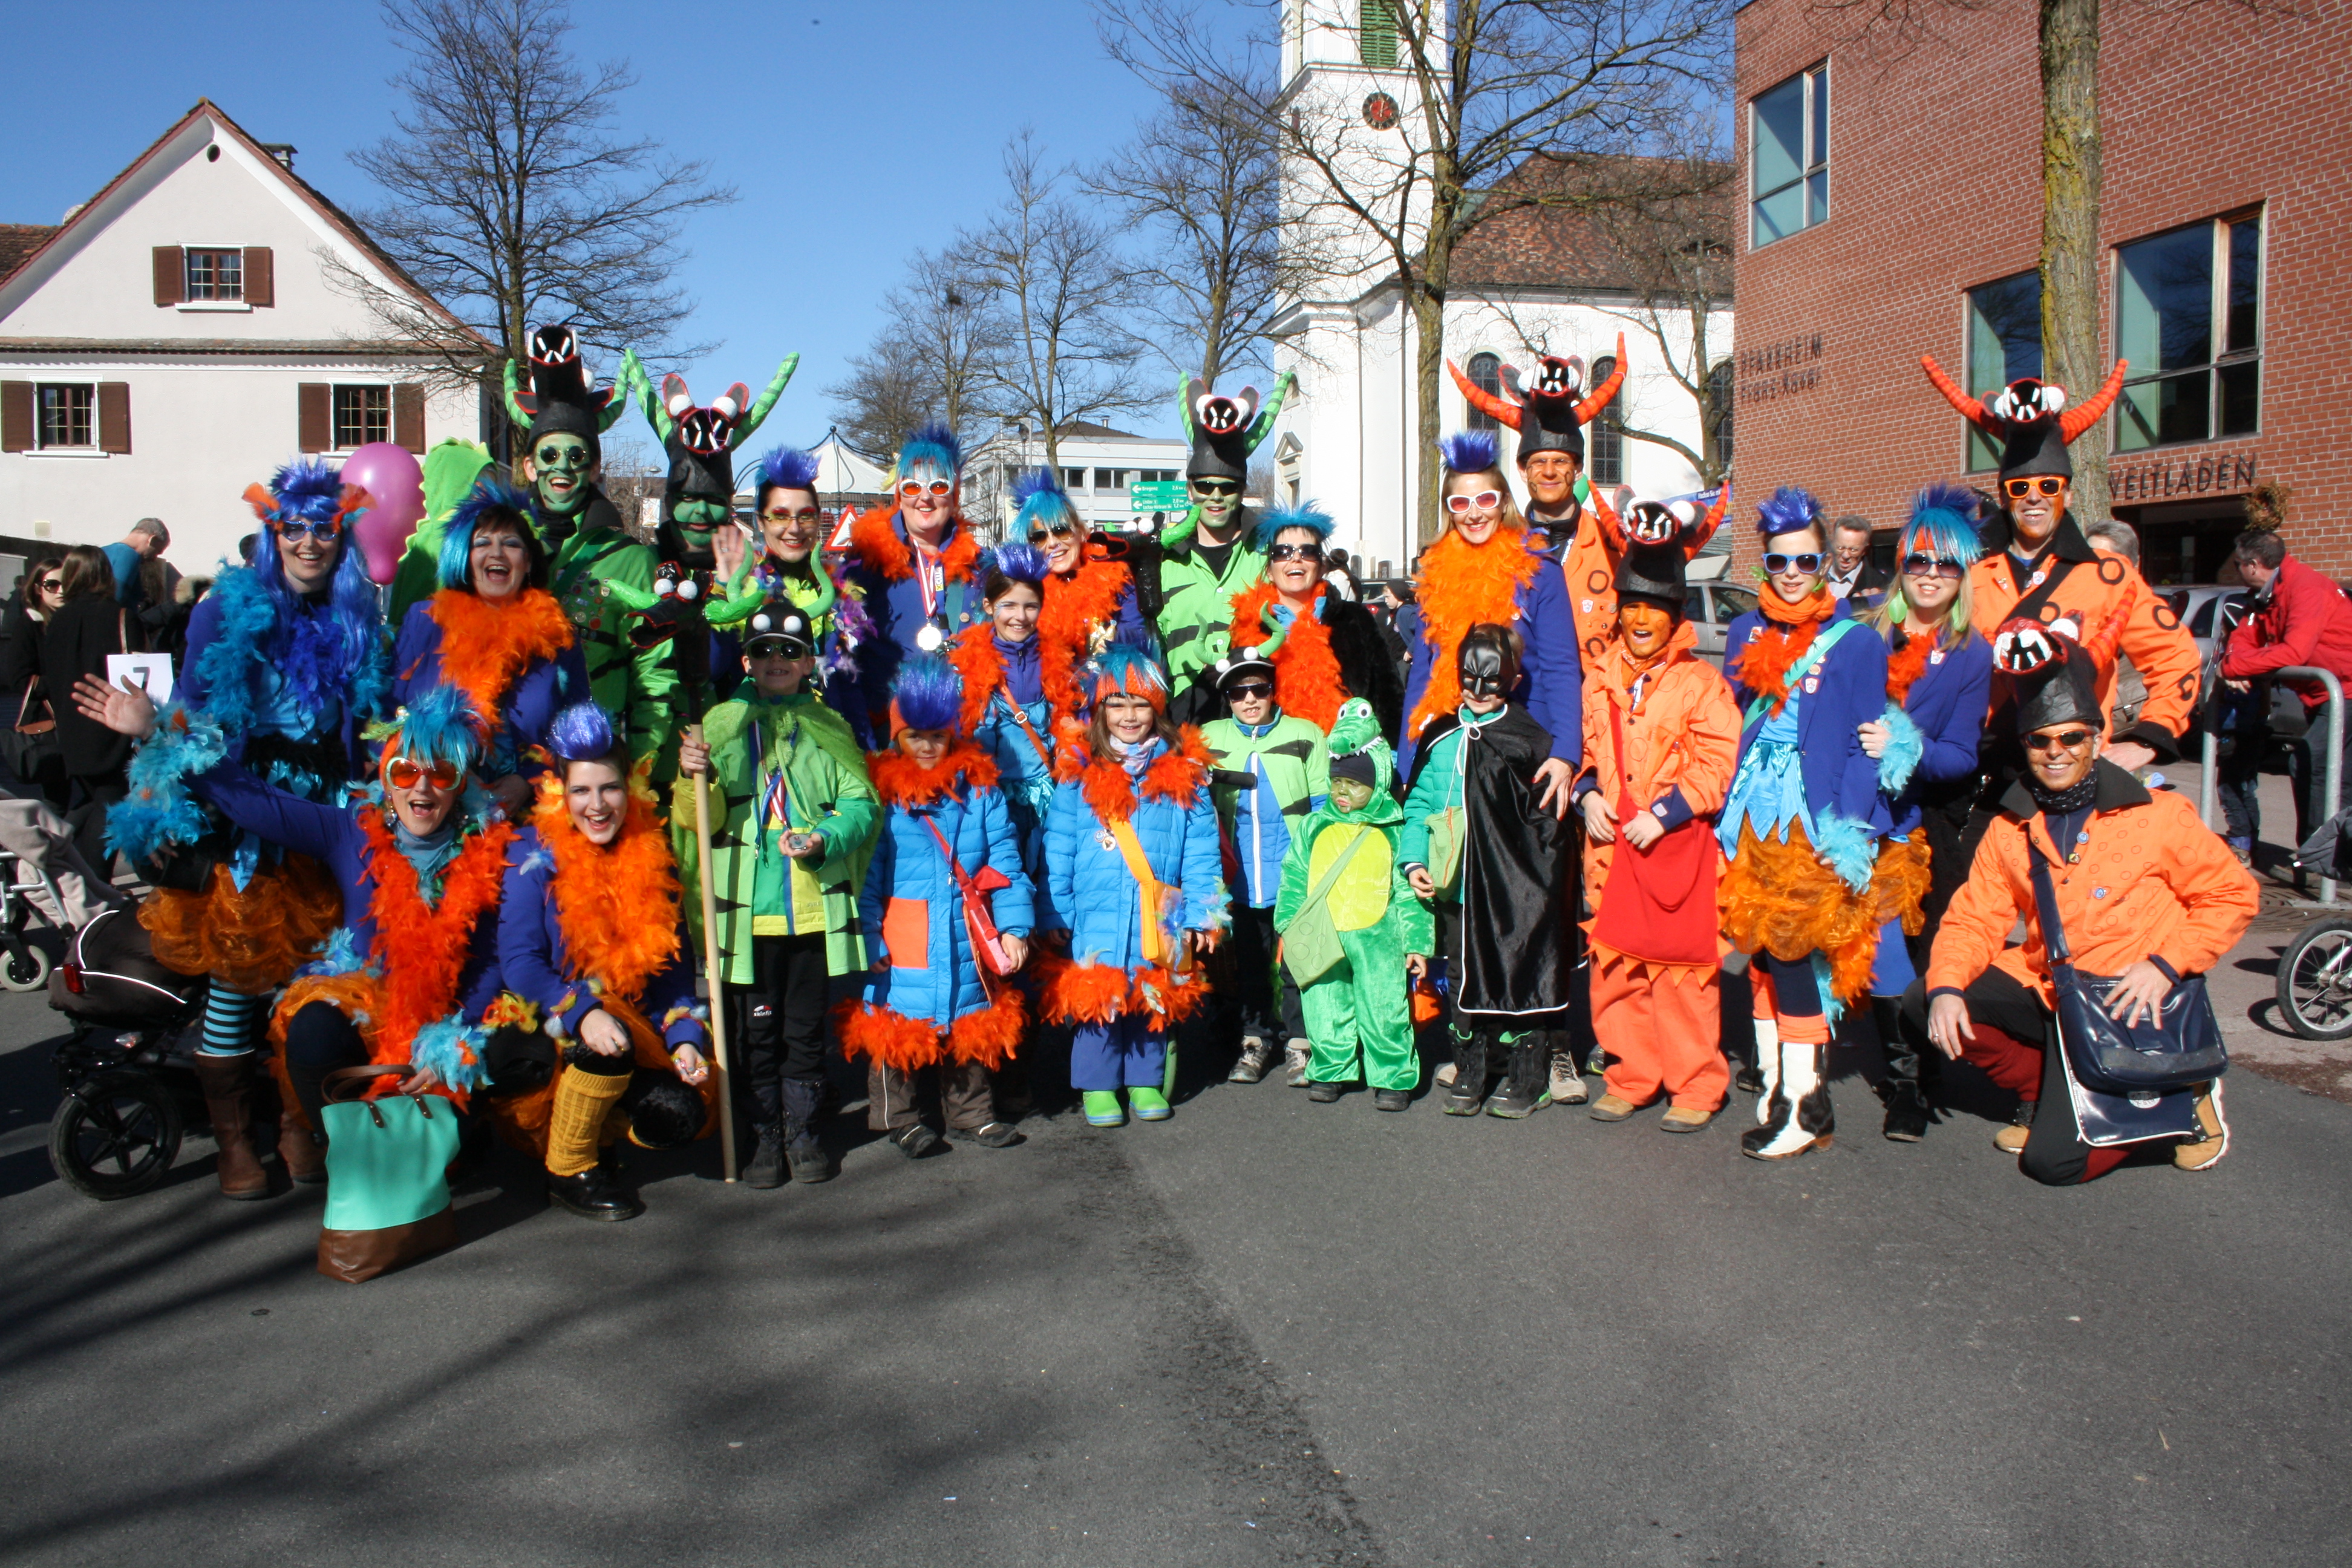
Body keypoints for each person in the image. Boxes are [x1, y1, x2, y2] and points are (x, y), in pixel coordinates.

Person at [102, 460, 391, 1198]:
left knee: (314, 976)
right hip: (246, 810)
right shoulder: (223, 612)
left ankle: (297, 1124)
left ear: (342, 536)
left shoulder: (357, 617)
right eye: (293, 528)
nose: (308, 542)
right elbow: (197, 714)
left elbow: (368, 719)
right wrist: (152, 748)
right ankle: (234, 1142)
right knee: (239, 973)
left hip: (328, 811)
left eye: (323, 529)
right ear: (272, 533)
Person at [77, 681, 511, 1171]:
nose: (422, 787)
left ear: (460, 785)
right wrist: (159, 731)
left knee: (463, 1138)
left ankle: (456, 1140)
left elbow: (494, 958)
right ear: (387, 780)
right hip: (366, 1012)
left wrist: (453, 1041)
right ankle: (350, 1154)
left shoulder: (490, 851)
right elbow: (258, 803)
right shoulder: (350, 832)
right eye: (406, 771)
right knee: (312, 1028)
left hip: (450, 1021)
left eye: (441, 773)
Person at [1903, 626, 2256, 1183]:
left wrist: (2166, 965)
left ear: (2095, 737)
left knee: (2054, 1165)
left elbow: (2232, 894)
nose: (2055, 752)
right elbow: (1974, 919)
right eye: (2039, 740)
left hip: (2129, 996)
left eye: (2070, 737)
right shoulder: (2011, 826)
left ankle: (2185, 1099)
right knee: (1925, 998)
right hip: (2053, 985)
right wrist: (1946, 987)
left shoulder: (2160, 814)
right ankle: (2045, 1089)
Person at [1716, 487, 1911, 1161]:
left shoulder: (1857, 642)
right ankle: (1775, 1084)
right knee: (1761, 948)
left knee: (1796, 951)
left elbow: (1865, 744)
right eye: (1779, 562)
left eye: (1805, 560)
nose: (1793, 573)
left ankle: (1808, 1104)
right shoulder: (1744, 631)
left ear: (1826, 562)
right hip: (1751, 815)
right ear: (1764, 564)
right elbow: (1734, 720)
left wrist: (1848, 828)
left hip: (1813, 816)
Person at [1921, 355, 2198, 783]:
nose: (2034, 497)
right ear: (2005, 498)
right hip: (1976, 774)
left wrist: (2149, 739)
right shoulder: (1966, 572)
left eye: (2048, 486)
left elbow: (2175, 656)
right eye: (2020, 488)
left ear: (2067, 496)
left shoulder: (2109, 574)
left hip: (2070, 773)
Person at [675, 603, 875, 1186]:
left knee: (804, 1031)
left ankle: (802, 1133)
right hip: (746, 920)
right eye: (764, 651)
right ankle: (762, 1134)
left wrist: (823, 838)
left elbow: (861, 806)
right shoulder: (717, 726)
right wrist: (694, 776)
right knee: (754, 1034)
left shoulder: (828, 727)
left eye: (791, 651)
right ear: (746, 661)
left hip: (809, 914)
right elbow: (697, 820)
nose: (777, 660)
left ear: (809, 662)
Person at [496, 702, 714, 1221]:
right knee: (605, 1031)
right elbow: (520, 963)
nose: (597, 806)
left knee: (678, 1115)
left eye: (609, 788)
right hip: (543, 1028)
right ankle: (569, 1168)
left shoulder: (650, 850)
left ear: (629, 788)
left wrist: (685, 1039)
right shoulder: (530, 853)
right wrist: (582, 1011)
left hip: (626, 1030)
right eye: (581, 791)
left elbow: (671, 973)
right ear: (560, 793)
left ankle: (601, 1132)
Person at [1574, 526, 1742, 1132]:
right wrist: (1586, 794)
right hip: (1610, 849)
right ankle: (1631, 1078)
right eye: (1633, 606)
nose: (1642, 619)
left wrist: (1665, 813)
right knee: (1617, 971)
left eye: (1656, 608)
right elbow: (1588, 752)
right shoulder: (1598, 678)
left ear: (1676, 615)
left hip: (1673, 850)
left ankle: (1695, 1086)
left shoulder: (1702, 683)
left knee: (1683, 976)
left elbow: (1717, 763)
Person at [836, 655, 1034, 1157]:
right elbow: (866, 878)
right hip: (904, 931)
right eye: (914, 736)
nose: (926, 747)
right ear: (897, 738)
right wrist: (869, 936)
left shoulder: (981, 791)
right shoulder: (882, 797)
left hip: (966, 928)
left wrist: (1015, 927)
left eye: (937, 736)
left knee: (970, 1016)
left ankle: (972, 1114)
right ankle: (899, 1118)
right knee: (896, 1023)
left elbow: (1006, 861)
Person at [1040, 639, 1226, 1128]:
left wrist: (1204, 914)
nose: (1129, 715)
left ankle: (1145, 1079)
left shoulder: (1185, 772)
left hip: (1161, 907)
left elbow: (1202, 850)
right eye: (1117, 704)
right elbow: (1058, 845)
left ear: (1157, 709)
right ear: (1100, 710)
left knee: (1151, 989)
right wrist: (1054, 909)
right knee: (1098, 991)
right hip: (1095, 908)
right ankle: (1098, 1085)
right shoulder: (1078, 772)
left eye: (1141, 704)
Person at [1858, 483, 1994, 1141]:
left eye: (1947, 563)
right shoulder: (1864, 633)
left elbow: (1961, 757)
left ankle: (1909, 1082)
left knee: (1896, 944)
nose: (1931, 574)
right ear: (1901, 566)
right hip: (1843, 809)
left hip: (1909, 820)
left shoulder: (1972, 653)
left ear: (1963, 573)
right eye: (1919, 560)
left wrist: (1903, 747)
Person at [1398, 624, 1575, 1119]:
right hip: (1456, 885)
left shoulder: (1528, 739)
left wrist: (1539, 885)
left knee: (1517, 969)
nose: (1478, 691)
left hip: (1512, 888)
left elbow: (1547, 823)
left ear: (1513, 680)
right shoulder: (1440, 735)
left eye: (1492, 681)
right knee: (1461, 973)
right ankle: (1471, 1068)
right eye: (1469, 678)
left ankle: (1528, 1074)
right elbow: (1419, 804)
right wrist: (1415, 860)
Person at [1449, 338, 1695, 666]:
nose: (1549, 472)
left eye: (1561, 462)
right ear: (1522, 471)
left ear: (1578, 470)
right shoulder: (1494, 545)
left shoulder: (1616, 546)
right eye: (1538, 462)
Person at [1397, 431, 1583, 799]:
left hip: (1523, 748)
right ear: (1449, 509)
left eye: (1485, 499)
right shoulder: (1435, 575)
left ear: (1504, 502)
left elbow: (1561, 668)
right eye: (1460, 503)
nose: (1474, 513)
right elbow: (1423, 674)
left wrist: (1565, 753)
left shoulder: (1540, 572)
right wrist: (1407, 763)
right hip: (1450, 748)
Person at [519, 347, 678, 776]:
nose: (563, 468)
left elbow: (654, 673)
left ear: (593, 469)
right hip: (511, 767)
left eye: (577, 456)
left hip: (595, 769)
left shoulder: (631, 560)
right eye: (549, 456)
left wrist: (636, 767)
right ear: (530, 467)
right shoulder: (503, 552)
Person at [391, 475, 589, 819]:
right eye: (482, 543)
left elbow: (582, 740)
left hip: (529, 822)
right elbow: (384, 718)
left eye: (511, 544)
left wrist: (529, 781)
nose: (497, 553)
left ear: (528, 562)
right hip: (429, 813)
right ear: (464, 558)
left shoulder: (559, 641)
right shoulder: (425, 622)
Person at [1278, 700, 1429, 1111]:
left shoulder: (1394, 830)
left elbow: (1409, 894)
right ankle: (1331, 1069)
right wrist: (1288, 924)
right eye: (1337, 782)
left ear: (1378, 783)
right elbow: (1294, 875)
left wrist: (1416, 943)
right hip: (1323, 933)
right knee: (1324, 1005)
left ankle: (1393, 1076)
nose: (1342, 792)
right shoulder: (1315, 826)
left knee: (1385, 1009)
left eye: (1354, 785)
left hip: (1379, 938)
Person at [1201, 648, 1329, 1087]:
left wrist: (1317, 864)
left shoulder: (1306, 733)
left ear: (1273, 691)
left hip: (1294, 874)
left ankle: (1301, 1044)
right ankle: (1254, 1040)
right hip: (1237, 877)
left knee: (1297, 963)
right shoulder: (1208, 736)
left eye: (1259, 689)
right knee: (1250, 964)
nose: (1250, 699)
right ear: (1227, 699)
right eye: (1238, 693)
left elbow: (1322, 804)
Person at [1153, 374, 1294, 722]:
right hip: (1183, 720)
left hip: (1254, 717)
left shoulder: (1267, 553)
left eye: (1228, 487)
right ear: (1190, 489)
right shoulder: (1162, 560)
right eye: (1205, 486)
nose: (1215, 497)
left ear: (1242, 490)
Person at [2217, 525, 2352, 860]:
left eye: (2237, 564)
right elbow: (2243, 638)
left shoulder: (2305, 587)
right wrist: (2234, 664)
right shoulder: (2267, 594)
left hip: (2345, 693)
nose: (2236, 570)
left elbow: (2295, 652)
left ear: (2252, 565)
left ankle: (2320, 859)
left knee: (2311, 763)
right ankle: (2330, 859)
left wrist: (2235, 668)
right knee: (2332, 773)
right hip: (2324, 696)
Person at [846, 420, 988, 736]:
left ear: (955, 496)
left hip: (959, 730)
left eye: (938, 487)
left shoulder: (982, 566)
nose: (925, 498)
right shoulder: (865, 561)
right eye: (912, 487)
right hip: (888, 730)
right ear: (900, 494)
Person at [1222, 504, 1405, 740]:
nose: (1296, 558)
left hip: (1345, 754)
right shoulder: (1249, 624)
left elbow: (1388, 695)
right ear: (1269, 570)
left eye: (1308, 551)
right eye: (1283, 552)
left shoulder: (1355, 619)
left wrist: (1391, 752)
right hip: (1273, 754)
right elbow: (1231, 703)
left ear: (1321, 567)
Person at [950, 544, 1056, 890]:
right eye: (1008, 605)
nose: (1020, 616)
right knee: (1000, 885)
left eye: (1030, 606)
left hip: (1047, 800)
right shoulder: (965, 664)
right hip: (989, 802)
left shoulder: (1057, 658)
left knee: (1047, 883)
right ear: (988, 606)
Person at [1018, 468, 1151, 730]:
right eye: (1039, 536)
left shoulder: (1117, 580)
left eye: (1061, 531)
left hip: (1112, 713)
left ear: (1081, 532)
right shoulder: (1027, 592)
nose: (1052, 543)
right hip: (1050, 715)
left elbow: (1136, 647)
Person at [750, 445, 869, 728]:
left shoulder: (841, 593)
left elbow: (851, 689)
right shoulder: (744, 589)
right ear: (761, 522)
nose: (794, 528)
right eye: (780, 516)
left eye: (805, 515)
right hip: (760, 741)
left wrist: (863, 746)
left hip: (829, 740)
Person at [42, 546, 145, 869]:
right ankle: (96, 883)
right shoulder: (120, 616)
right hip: (112, 722)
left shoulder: (58, 620)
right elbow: (140, 670)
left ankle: (57, 855)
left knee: (96, 798)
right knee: (110, 804)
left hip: (71, 724)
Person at [0, 554, 68, 806]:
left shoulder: (71, 622)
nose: (60, 591)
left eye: (66, 584)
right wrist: (65, 682)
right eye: (52, 585)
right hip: (48, 720)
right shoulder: (29, 625)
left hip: (76, 719)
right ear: (38, 588)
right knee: (58, 795)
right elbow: (19, 678)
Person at [102, 518, 167, 614]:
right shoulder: (129, 555)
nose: (154, 559)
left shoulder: (101, 552)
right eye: (157, 552)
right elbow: (118, 596)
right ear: (152, 540)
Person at [1826, 517, 1890, 603]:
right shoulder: (1815, 574)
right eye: (1840, 548)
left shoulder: (1880, 585)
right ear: (1832, 543)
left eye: (1854, 550)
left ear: (1864, 550)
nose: (1846, 556)